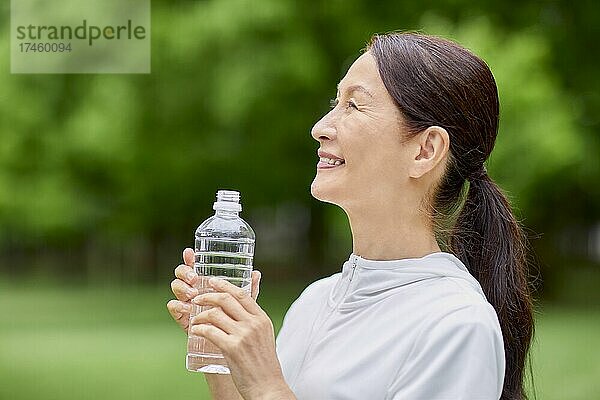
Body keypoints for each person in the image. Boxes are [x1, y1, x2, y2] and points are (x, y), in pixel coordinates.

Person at [167, 32, 535, 400]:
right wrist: (225, 356)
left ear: (425, 150)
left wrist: (267, 385)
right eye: (335, 101)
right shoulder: (313, 302)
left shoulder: (456, 324)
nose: (320, 127)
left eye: (354, 106)